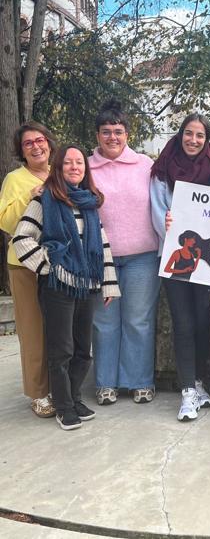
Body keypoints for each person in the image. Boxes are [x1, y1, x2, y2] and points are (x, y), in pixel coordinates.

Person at [13, 145, 120, 430]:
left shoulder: (89, 203)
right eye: (68, 163)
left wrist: (109, 284)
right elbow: (21, 238)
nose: (74, 167)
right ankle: (63, 406)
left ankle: (74, 398)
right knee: (62, 351)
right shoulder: (44, 200)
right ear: (58, 168)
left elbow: (102, 245)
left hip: (86, 284)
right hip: (58, 287)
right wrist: (49, 265)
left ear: (85, 169)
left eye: (79, 163)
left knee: (83, 349)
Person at [150, 113, 210, 421]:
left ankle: (201, 382)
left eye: (200, 135)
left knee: (204, 320)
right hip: (176, 257)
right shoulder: (162, 169)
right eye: (188, 133)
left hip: (207, 261)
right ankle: (187, 390)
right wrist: (168, 226)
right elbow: (158, 212)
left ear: (207, 139)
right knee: (183, 322)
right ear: (180, 135)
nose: (193, 140)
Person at [89, 99, 160, 406]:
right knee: (104, 323)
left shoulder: (146, 165)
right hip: (100, 258)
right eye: (106, 132)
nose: (112, 137)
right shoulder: (85, 167)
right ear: (97, 135)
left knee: (138, 320)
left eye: (118, 131)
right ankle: (106, 383)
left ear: (127, 134)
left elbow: (165, 197)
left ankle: (140, 381)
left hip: (142, 256)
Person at [0, 122, 56, 418]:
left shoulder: (59, 172)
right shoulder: (15, 179)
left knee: (59, 328)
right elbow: (6, 222)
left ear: (49, 143)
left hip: (58, 263)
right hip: (25, 265)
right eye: (28, 144)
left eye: (40, 140)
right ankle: (38, 393)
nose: (36, 147)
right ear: (21, 151)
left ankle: (60, 386)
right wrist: (30, 196)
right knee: (33, 330)